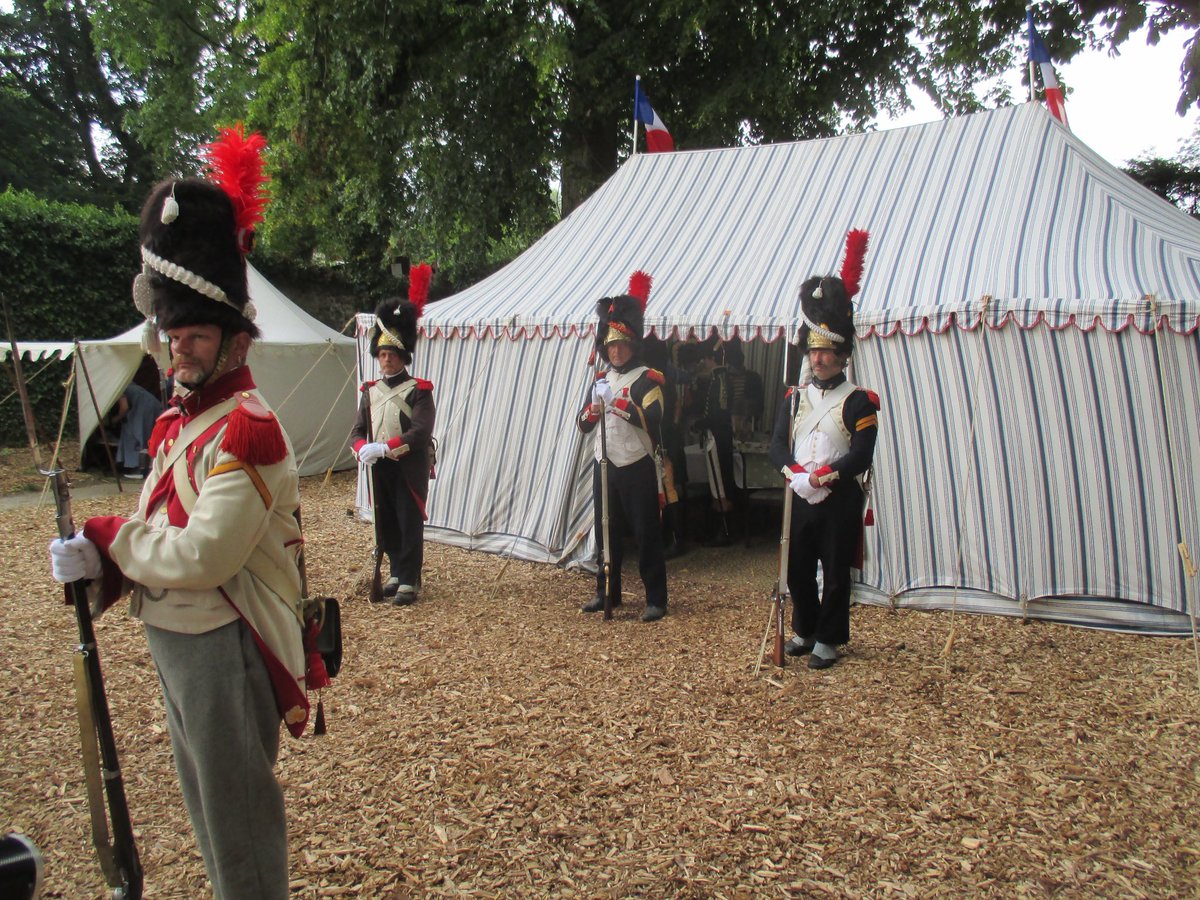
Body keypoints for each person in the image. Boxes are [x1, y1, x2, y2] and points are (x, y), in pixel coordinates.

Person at [47, 126, 315, 899]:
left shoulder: (248, 428)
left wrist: (108, 537)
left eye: (195, 335)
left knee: (238, 824)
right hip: (175, 636)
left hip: (222, 638)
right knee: (204, 805)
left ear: (233, 340)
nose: (180, 350)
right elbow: (158, 525)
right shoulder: (180, 417)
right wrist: (102, 562)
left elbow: (203, 557)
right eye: (173, 334)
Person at [768, 229, 879, 670]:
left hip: (837, 496)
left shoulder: (859, 400)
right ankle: (805, 629)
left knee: (834, 574)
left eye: (826, 351)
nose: (818, 359)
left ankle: (829, 639)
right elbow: (778, 444)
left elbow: (861, 456)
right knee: (797, 570)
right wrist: (795, 474)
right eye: (814, 351)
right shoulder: (795, 397)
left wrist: (823, 476)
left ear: (842, 353)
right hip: (800, 492)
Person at [576, 271, 669, 622]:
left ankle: (656, 597)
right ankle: (606, 591)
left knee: (646, 532)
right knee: (605, 531)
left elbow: (657, 419)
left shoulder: (648, 378)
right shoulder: (600, 380)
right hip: (605, 465)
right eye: (611, 346)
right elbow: (582, 424)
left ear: (632, 345)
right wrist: (593, 410)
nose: (615, 351)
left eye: (621, 345)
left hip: (636, 464)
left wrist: (620, 405)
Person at [350, 264, 436, 606]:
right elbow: (357, 430)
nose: (386, 360)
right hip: (378, 466)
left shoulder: (420, 389)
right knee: (385, 519)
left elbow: (419, 431)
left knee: (407, 518)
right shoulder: (369, 390)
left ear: (403, 357)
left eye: (392, 355)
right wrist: (361, 449)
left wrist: (384, 447)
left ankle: (410, 578)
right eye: (382, 355)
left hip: (407, 465)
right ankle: (396, 572)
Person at [109, 380, 163, 478]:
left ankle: (138, 469)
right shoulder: (126, 381)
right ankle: (144, 467)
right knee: (144, 435)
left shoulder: (117, 385)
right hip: (151, 404)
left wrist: (114, 420)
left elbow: (124, 407)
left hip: (142, 406)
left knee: (135, 435)